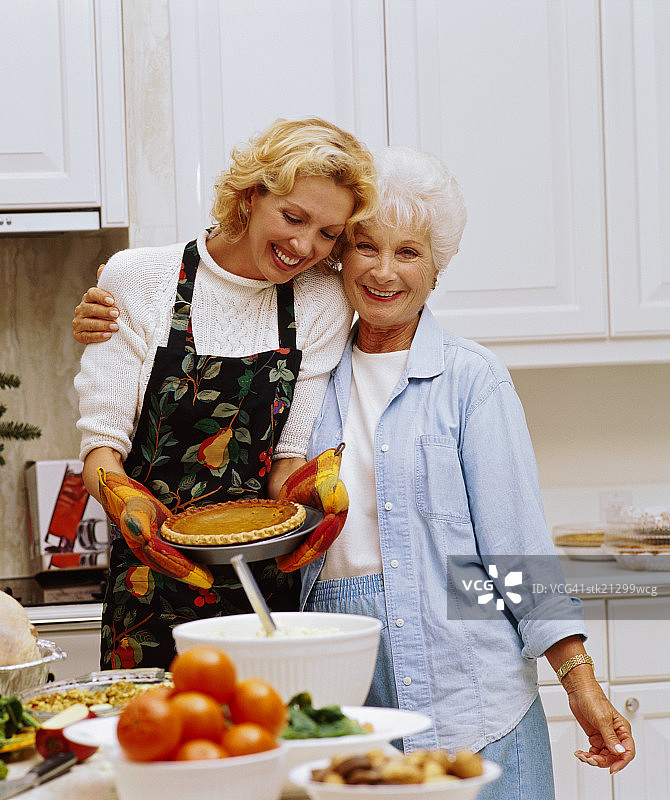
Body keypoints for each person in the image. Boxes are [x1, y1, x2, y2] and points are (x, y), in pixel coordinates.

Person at [73, 145, 634, 796]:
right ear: (339, 258)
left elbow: (517, 549)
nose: (385, 272)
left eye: (410, 252)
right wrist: (108, 303)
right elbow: (208, 296)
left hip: (470, 688)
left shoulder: (470, 381)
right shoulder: (299, 370)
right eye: (367, 247)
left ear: (437, 267)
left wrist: (579, 679)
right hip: (340, 694)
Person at [74, 117, 377, 670]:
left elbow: (285, 461)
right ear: (252, 194)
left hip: (264, 590)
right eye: (293, 217)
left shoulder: (322, 302)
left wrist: (314, 493)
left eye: (329, 234)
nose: (304, 245)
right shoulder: (140, 279)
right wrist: (125, 501)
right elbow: (100, 450)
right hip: (148, 582)